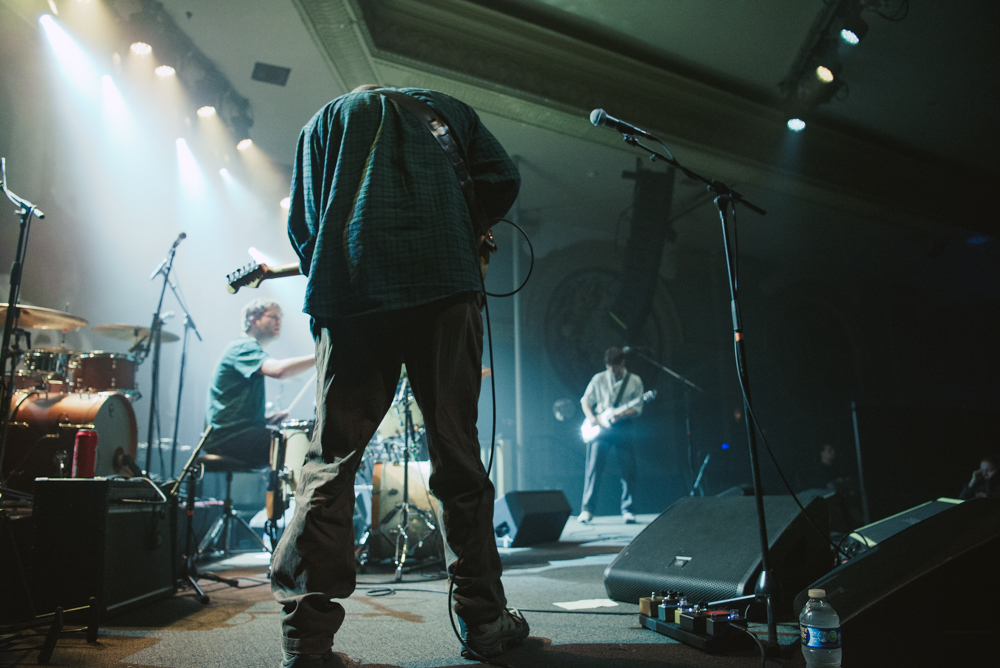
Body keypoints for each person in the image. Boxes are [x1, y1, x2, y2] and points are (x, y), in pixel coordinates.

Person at [270, 85, 524, 667]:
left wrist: (336, 262)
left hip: (349, 288)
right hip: (443, 284)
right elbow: (501, 179)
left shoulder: (324, 119)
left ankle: (307, 640)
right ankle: (485, 621)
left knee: (330, 462)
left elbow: (303, 224)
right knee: (457, 452)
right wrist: (469, 227)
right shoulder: (450, 109)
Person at [203, 299, 315, 468]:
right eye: (273, 317)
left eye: (280, 318)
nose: (279, 322)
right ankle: (284, 494)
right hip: (229, 437)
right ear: (253, 320)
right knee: (300, 447)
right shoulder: (242, 347)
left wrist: (266, 420)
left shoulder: (245, 348)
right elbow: (279, 371)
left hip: (234, 434)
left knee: (292, 443)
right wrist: (320, 356)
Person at [578, 346, 645, 525]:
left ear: (622, 363)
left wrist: (621, 415)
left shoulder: (634, 381)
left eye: (614, 366)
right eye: (608, 366)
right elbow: (585, 401)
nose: (611, 370)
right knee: (594, 467)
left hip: (623, 427)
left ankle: (628, 509)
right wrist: (592, 418)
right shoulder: (598, 379)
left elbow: (638, 408)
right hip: (600, 426)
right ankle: (587, 509)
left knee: (628, 467)